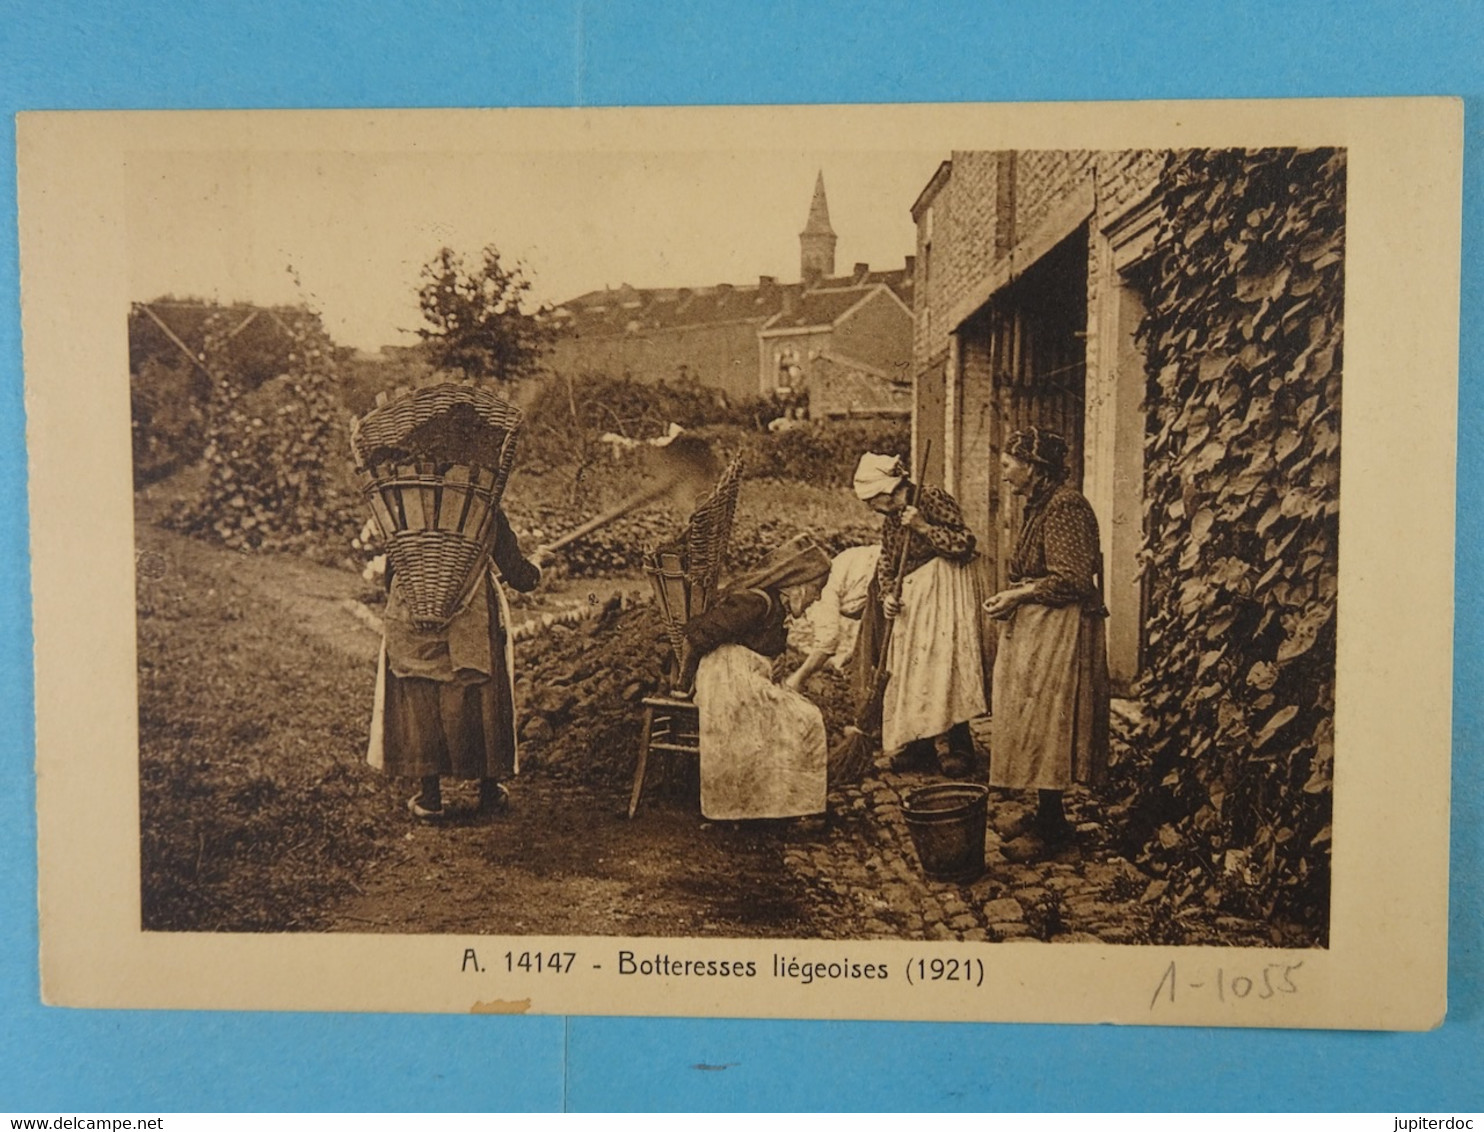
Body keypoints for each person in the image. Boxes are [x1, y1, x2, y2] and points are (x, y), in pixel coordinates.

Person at [367, 508, 553, 821]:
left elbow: (391, 575)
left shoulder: (405, 502)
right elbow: (519, 575)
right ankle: (489, 790)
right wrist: (538, 564)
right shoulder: (480, 500)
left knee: (423, 694)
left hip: (413, 611)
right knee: (477, 696)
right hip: (471, 613)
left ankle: (430, 795)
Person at [982, 427, 1110, 859]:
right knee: (1033, 721)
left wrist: (1019, 594)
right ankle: (1045, 813)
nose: (1003, 476)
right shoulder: (1041, 505)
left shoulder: (1066, 506)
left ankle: (1054, 830)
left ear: (1034, 467)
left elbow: (1073, 579)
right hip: (1041, 628)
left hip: (1063, 631)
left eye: (1007, 466)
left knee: (1049, 723)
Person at [677, 535, 832, 823]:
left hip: (746, 678)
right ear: (797, 586)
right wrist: (684, 681)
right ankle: (774, 806)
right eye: (816, 589)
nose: (818, 598)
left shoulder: (775, 607)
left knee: (799, 719)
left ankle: (777, 804)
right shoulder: (756, 602)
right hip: (728, 678)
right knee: (803, 719)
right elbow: (698, 634)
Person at [852, 452, 985, 777]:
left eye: (871, 500)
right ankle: (920, 744)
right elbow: (886, 557)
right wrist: (887, 595)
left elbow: (965, 543)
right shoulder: (892, 517)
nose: (871, 508)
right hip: (911, 598)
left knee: (943, 665)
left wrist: (924, 527)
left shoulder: (930, 497)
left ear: (886, 489)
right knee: (911, 669)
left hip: (942, 591)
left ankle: (958, 745)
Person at [784, 542, 882, 694]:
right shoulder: (835, 573)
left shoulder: (822, 590)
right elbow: (870, 617)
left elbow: (828, 643)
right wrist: (854, 654)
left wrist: (798, 679)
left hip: (889, 569)